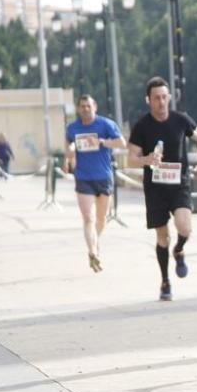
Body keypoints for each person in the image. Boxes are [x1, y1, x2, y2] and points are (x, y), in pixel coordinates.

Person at [127, 77, 197, 301]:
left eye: (164, 97)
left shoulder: (181, 120)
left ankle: (180, 249)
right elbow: (131, 159)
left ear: (169, 98)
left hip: (179, 184)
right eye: (156, 98)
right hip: (155, 187)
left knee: (185, 228)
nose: (161, 102)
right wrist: (147, 159)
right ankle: (165, 281)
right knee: (162, 236)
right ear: (149, 100)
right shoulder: (142, 126)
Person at [66, 95, 126, 272]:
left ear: (95, 107)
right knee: (88, 218)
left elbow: (122, 143)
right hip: (83, 177)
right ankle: (92, 251)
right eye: (82, 106)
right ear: (78, 109)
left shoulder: (106, 124)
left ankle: (95, 241)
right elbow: (68, 147)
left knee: (101, 218)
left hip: (103, 176)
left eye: (88, 106)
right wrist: (69, 152)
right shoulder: (72, 128)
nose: (85, 109)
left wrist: (103, 142)